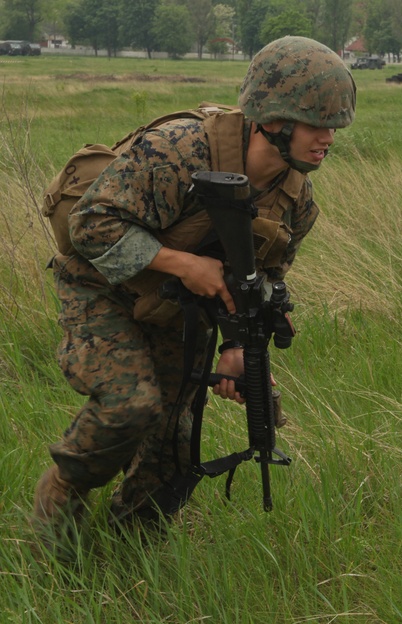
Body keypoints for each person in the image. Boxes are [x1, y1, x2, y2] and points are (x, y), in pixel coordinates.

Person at [32, 36, 356, 550]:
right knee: (130, 405)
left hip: (175, 308)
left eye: (334, 127)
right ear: (274, 120)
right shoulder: (179, 150)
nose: (329, 141)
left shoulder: (296, 200)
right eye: (318, 125)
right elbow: (89, 226)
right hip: (101, 287)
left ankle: (128, 555)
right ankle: (58, 513)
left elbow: (253, 283)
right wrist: (183, 264)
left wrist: (236, 350)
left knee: (175, 447)